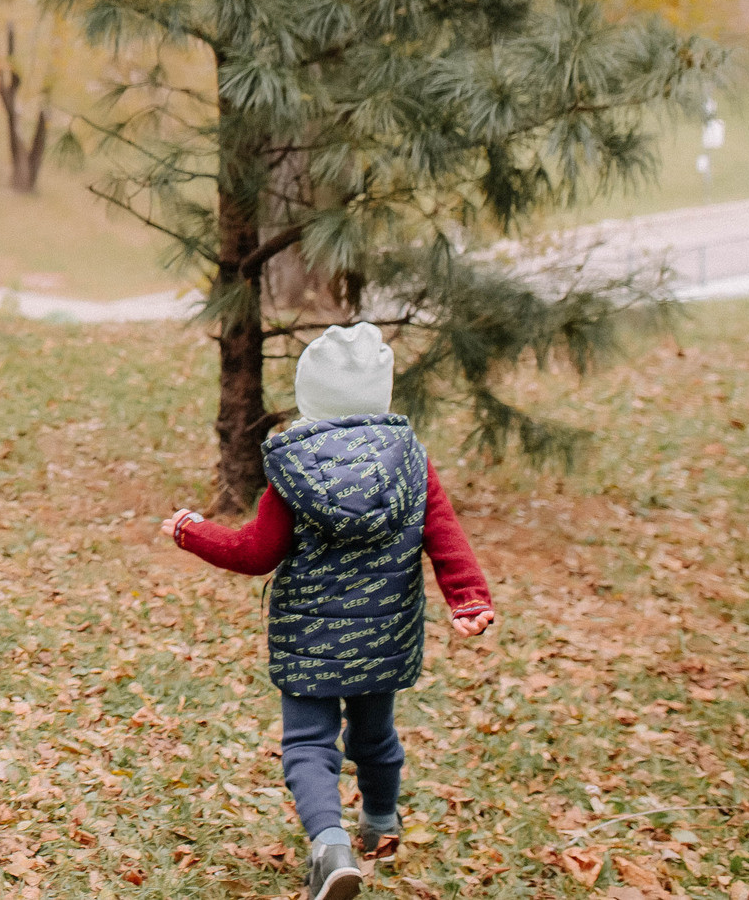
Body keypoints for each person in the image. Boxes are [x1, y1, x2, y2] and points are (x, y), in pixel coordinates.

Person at [161, 321, 497, 900]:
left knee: (309, 745)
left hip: (310, 638)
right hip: (384, 635)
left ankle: (330, 845)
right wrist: (468, 598)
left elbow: (255, 552)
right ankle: (381, 822)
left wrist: (192, 530)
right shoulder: (411, 462)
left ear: (309, 396)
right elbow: (444, 534)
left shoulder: (295, 468)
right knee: (376, 736)